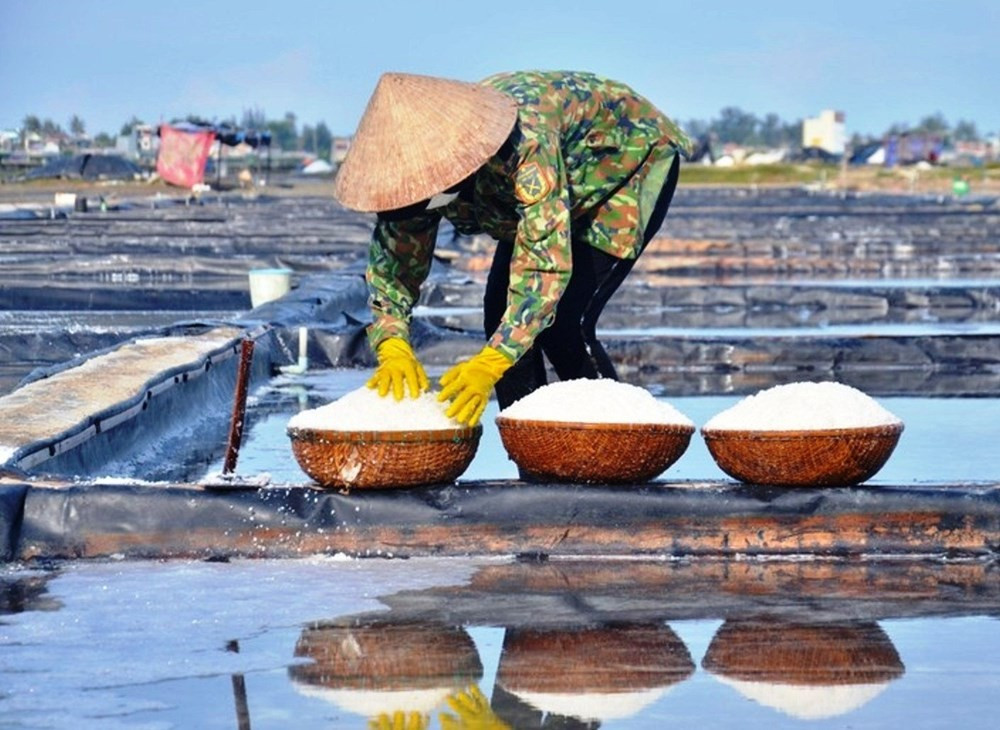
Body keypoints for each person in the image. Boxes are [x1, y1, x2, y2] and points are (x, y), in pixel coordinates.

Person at [334, 70, 689, 426]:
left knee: (565, 323)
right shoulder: (410, 170)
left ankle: (614, 440)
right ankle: (529, 450)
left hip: (621, 167)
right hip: (549, 182)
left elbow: (543, 266)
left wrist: (491, 363)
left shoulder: (525, 142)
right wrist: (392, 342)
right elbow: (392, 264)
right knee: (500, 313)